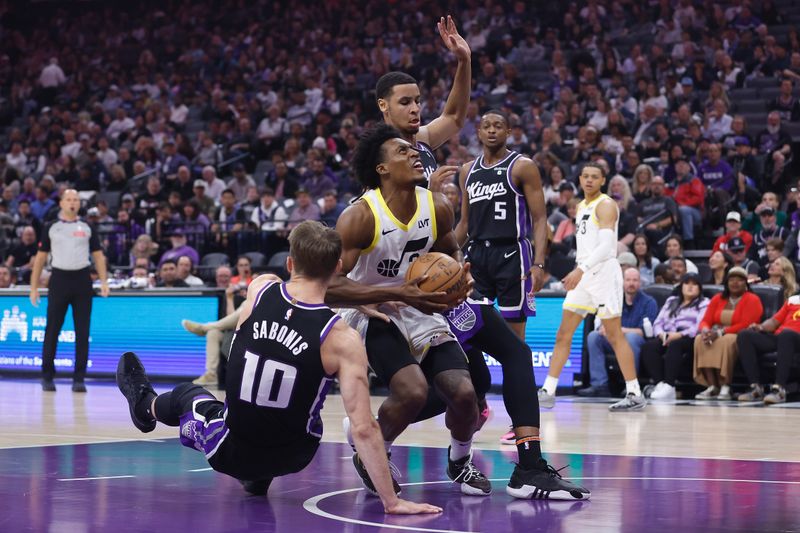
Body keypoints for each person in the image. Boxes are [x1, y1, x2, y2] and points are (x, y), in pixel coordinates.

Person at [116, 221, 442, 515]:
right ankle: (256, 481)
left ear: (289, 263)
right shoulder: (343, 339)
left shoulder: (260, 289)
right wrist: (392, 501)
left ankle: (144, 406)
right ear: (338, 267)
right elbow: (364, 428)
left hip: (230, 451)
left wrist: (355, 297)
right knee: (289, 402)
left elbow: (298, 295)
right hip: (294, 456)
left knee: (191, 395)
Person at [327, 124, 492, 495]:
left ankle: (460, 462)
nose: (414, 154)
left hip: (421, 308)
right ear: (381, 169)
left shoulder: (436, 205)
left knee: (465, 394)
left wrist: (458, 276)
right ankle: (373, 453)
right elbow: (328, 286)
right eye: (402, 152)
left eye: (413, 150)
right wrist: (379, 294)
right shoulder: (360, 216)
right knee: (413, 391)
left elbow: (451, 250)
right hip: (370, 310)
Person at [540, 163, 648, 411]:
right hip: (585, 274)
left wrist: (580, 269)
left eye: (594, 177)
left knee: (613, 334)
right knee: (563, 333)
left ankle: (634, 393)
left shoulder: (606, 205)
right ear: (580, 179)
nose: (589, 180)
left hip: (603, 273)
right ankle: (548, 390)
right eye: (585, 176)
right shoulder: (580, 206)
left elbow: (607, 246)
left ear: (602, 180)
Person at [454, 110, 548, 339]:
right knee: (470, 332)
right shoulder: (467, 171)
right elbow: (465, 222)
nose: (492, 130)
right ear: (479, 133)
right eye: (486, 126)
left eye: (497, 126)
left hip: (512, 254)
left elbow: (540, 219)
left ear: (508, 132)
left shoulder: (522, 166)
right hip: (476, 255)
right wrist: (447, 256)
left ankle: (518, 375)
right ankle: (478, 376)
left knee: (515, 336)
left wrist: (539, 264)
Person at [374, 16, 471, 191]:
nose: (415, 109)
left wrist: (464, 62)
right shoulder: (378, 152)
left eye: (417, 101)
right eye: (405, 102)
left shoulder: (421, 138)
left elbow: (454, 117)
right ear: (383, 105)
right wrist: (431, 194)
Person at [30, 189, 110, 392]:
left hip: (82, 280)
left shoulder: (88, 227)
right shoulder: (51, 227)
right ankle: (47, 376)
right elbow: (40, 258)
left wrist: (104, 282)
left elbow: (98, 256)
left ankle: (79, 378)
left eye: (76, 200)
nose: (73, 203)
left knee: (82, 331)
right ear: (62, 203)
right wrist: (33, 287)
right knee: (52, 330)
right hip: (59, 280)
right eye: (69, 199)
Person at [577, 268, 658, 397]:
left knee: (631, 338)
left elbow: (648, 332)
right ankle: (599, 384)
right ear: (622, 282)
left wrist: (622, 330)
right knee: (593, 336)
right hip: (615, 338)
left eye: (635, 280)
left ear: (640, 283)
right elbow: (602, 321)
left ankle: (631, 385)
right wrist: (603, 328)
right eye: (628, 280)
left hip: (638, 341)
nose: (631, 283)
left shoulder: (649, 302)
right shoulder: (614, 299)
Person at [693, 267, 762, 400]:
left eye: (739, 280)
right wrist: (706, 330)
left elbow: (746, 324)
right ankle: (712, 386)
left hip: (738, 334)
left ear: (745, 283)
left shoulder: (752, 299)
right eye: (731, 279)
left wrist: (720, 332)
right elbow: (705, 320)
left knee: (726, 340)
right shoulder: (718, 298)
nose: (735, 283)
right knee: (699, 339)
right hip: (716, 332)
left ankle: (725, 385)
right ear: (726, 282)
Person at [641, 273, 710, 400]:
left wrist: (678, 335)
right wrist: (661, 334)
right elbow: (657, 323)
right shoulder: (671, 301)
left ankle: (669, 384)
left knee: (675, 345)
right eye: (687, 283)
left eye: (694, 284)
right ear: (681, 286)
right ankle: (660, 384)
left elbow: (698, 326)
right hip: (667, 335)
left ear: (700, 288)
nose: (690, 287)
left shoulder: (704, 303)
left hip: (689, 338)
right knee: (649, 346)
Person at [736, 293, 800, 404]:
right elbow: (774, 321)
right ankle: (755, 388)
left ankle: (779, 389)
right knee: (745, 335)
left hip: (795, 338)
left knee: (786, 335)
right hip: (782, 337)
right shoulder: (793, 300)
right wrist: (761, 327)